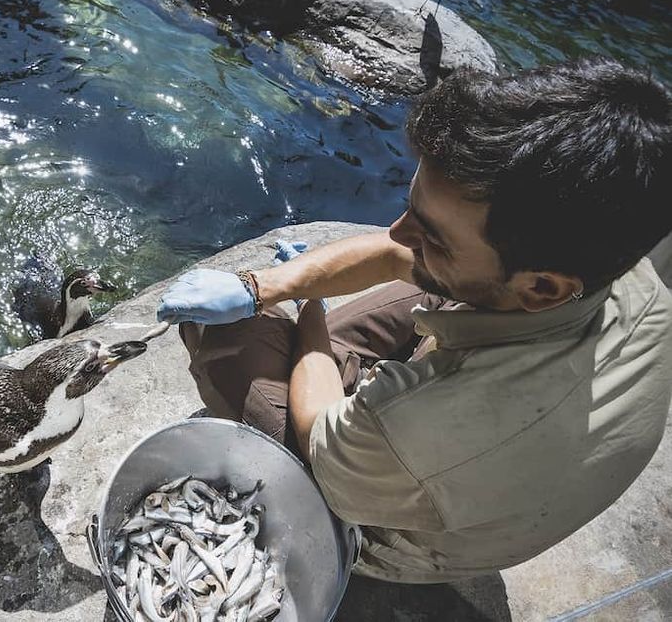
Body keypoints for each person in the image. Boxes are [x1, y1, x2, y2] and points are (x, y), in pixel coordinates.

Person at [156, 57, 672, 583]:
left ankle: (329, 392)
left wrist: (308, 305)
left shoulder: (455, 424)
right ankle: (343, 357)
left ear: (541, 286)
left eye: (432, 234)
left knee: (220, 331)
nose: (398, 233)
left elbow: (318, 436)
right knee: (413, 285)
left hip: (396, 524)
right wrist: (264, 285)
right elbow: (397, 254)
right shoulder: (618, 268)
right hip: (459, 450)